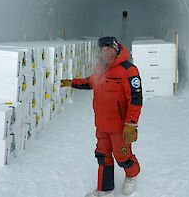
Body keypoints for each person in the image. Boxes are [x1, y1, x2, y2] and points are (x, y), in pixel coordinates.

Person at [61, 36, 143, 197]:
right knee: (103, 156)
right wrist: (71, 82)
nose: (104, 52)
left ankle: (132, 175)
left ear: (116, 49)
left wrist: (131, 124)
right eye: (102, 49)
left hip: (120, 127)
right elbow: (90, 82)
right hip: (102, 125)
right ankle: (105, 188)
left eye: (108, 48)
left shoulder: (128, 70)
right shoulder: (100, 69)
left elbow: (135, 99)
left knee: (123, 157)